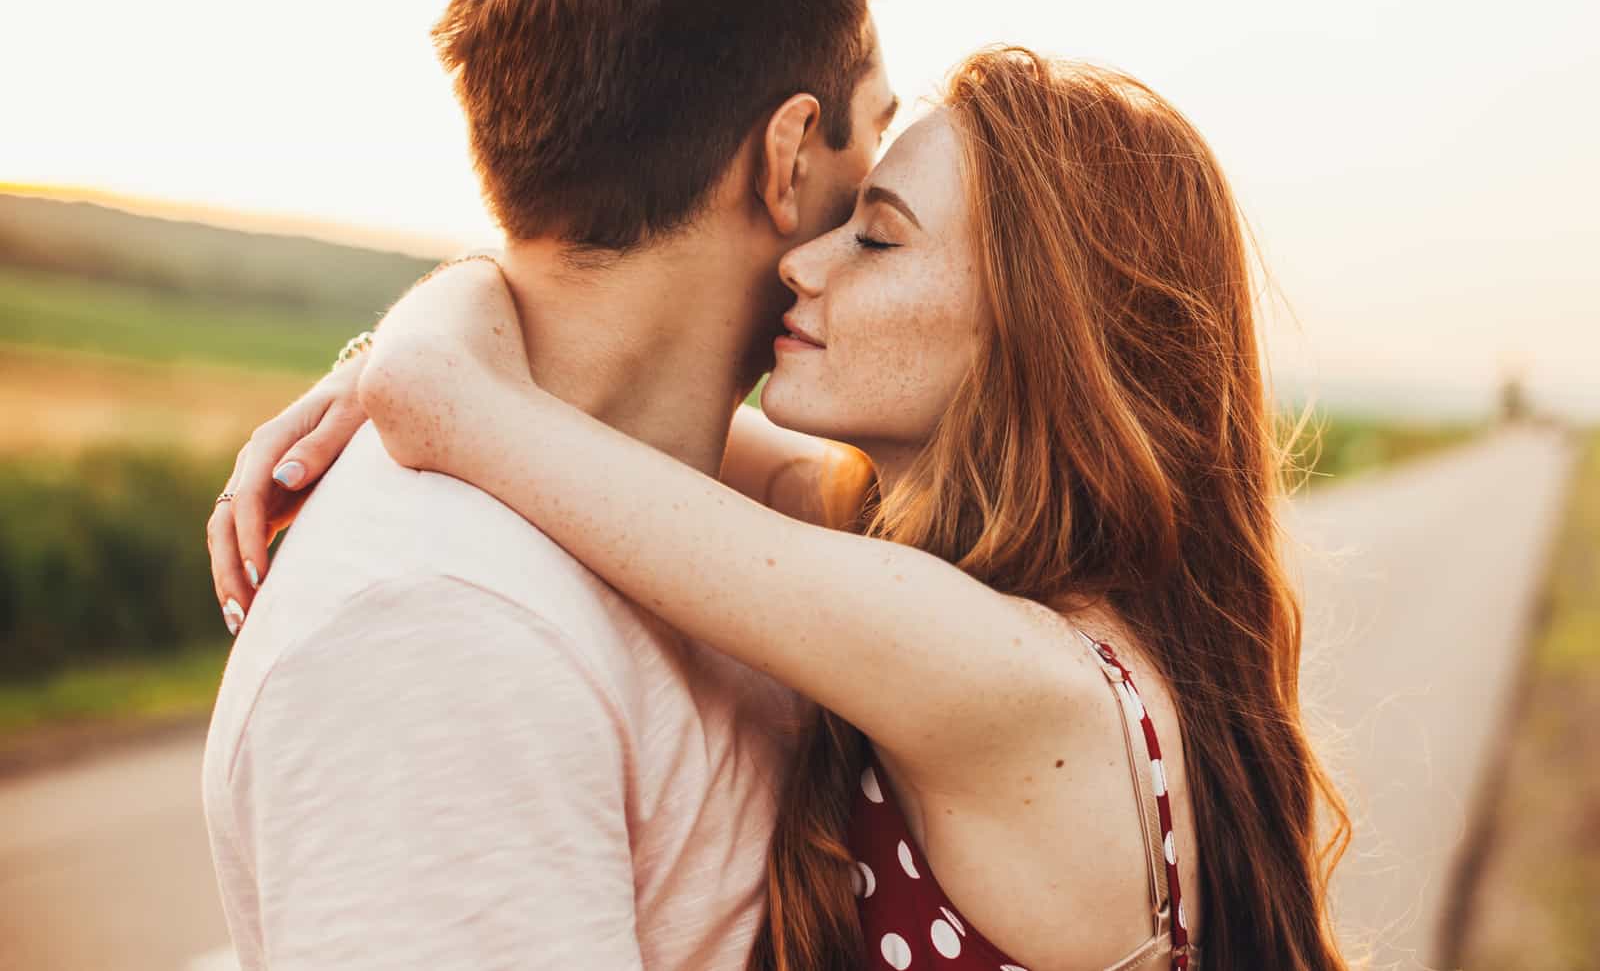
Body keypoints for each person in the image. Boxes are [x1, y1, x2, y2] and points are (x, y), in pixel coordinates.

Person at [214, 50, 1354, 969]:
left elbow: (451, 404)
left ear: (1032, 327)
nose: (806, 261)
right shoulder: (952, 582)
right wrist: (419, 341)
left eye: (876, 235)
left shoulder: (996, 667)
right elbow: (577, 414)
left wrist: (393, 363)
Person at [199, 0, 922, 967]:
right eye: (876, 134)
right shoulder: (441, 632)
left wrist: (423, 347)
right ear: (789, 154)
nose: (874, 199)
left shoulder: (715, 510)